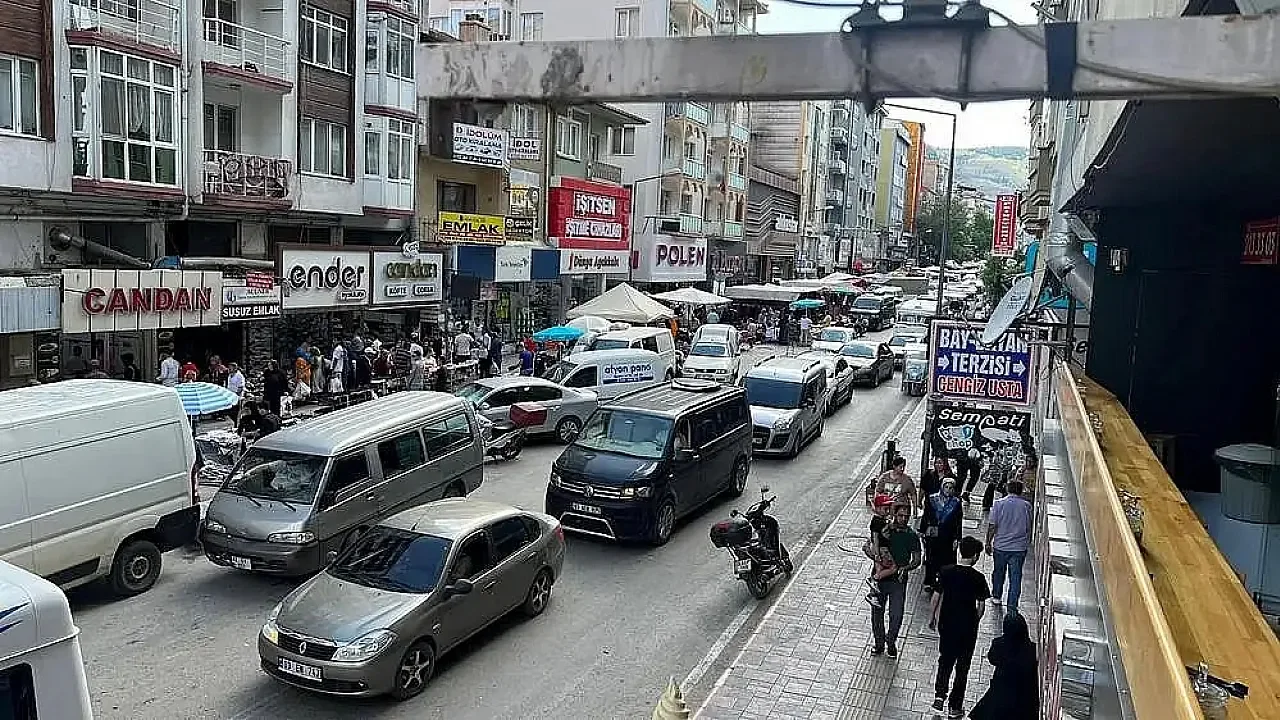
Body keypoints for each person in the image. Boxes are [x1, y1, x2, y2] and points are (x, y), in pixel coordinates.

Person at [930, 536, 990, 718]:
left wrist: (932, 617)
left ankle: (940, 695)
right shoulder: (978, 578)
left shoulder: (946, 572)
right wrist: (975, 621)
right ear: (975, 556)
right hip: (967, 629)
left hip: (947, 625)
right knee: (962, 668)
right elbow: (981, 605)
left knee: (945, 661)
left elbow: (936, 596)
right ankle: (955, 707)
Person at [864, 501, 921, 658]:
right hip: (880, 578)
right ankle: (879, 643)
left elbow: (917, 559)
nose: (903, 519)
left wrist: (906, 568)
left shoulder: (911, 536)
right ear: (894, 515)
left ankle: (891, 641)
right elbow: (871, 546)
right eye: (900, 515)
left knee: (896, 614)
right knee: (877, 612)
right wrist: (873, 555)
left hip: (898, 580)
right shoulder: (885, 530)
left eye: (906, 516)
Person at [968, 613, 1040, 720]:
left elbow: (992, 659)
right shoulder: (1033, 650)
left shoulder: (999, 644)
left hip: (1001, 693)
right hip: (1024, 697)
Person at [986, 479, 1034, 614]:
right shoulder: (1027, 506)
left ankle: (996, 596)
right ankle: (1012, 604)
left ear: (1007, 489)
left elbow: (992, 525)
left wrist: (988, 542)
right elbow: (1029, 525)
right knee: (1016, 576)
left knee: (998, 572)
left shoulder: (999, 504)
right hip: (1019, 548)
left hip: (1001, 545)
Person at [921, 478, 964, 593]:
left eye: (951, 488)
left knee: (947, 558)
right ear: (942, 487)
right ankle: (929, 581)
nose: (948, 490)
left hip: (948, 534)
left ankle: (945, 580)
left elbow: (958, 522)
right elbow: (926, 515)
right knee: (931, 557)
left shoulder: (956, 503)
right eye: (946, 487)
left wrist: (957, 538)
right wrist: (923, 530)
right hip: (933, 532)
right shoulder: (932, 499)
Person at [863, 514, 895, 608]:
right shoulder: (878, 524)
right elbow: (876, 539)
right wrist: (877, 554)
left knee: (879, 570)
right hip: (881, 550)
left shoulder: (879, 521)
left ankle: (872, 596)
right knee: (893, 568)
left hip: (878, 550)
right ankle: (874, 579)